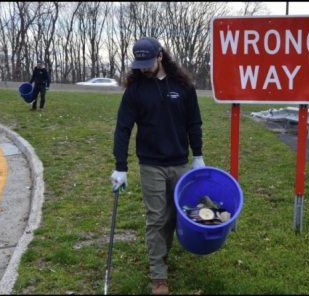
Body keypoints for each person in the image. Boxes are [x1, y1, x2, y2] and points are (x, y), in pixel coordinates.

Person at [110, 36, 205, 295]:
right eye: (139, 63)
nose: (143, 68)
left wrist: (197, 156)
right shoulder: (135, 90)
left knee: (174, 216)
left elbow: (194, 123)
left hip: (179, 163)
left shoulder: (183, 86)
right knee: (156, 218)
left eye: (148, 62)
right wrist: (121, 166)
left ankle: (162, 257)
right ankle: (158, 276)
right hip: (150, 164)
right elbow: (123, 129)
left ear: (160, 56)